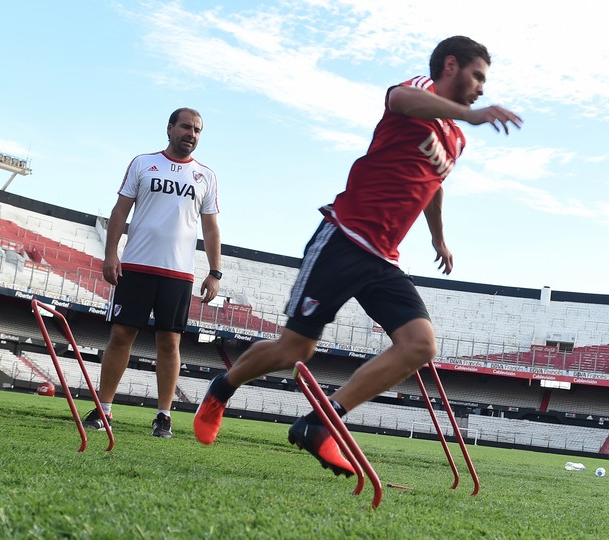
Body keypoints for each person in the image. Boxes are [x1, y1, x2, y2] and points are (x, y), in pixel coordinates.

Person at [194, 36, 521, 474]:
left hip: (384, 258)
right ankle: (222, 388)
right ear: (450, 65)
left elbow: (433, 185)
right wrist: (470, 113)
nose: (482, 87)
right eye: (477, 75)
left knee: (420, 345)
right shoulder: (422, 90)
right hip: (343, 238)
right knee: (294, 351)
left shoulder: (457, 138)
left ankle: (319, 424)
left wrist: (438, 238)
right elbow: (400, 99)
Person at [82, 107, 222, 438]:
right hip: (136, 265)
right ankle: (104, 410)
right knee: (120, 336)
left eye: (198, 130)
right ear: (170, 128)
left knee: (169, 343)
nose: (192, 133)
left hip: (178, 273)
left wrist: (215, 271)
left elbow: (212, 228)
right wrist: (110, 253)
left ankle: (163, 416)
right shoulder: (143, 164)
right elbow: (120, 210)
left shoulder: (206, 176)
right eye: (186, 126)